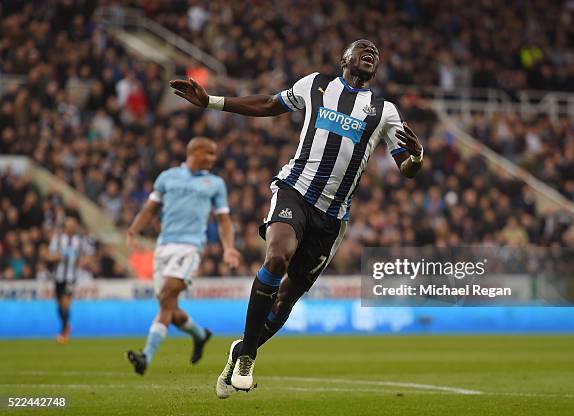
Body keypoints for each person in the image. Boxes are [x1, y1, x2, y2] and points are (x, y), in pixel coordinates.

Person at [170, 39, 423, 397]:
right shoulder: (316, 84)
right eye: (362, 48)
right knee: (276, 256)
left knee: (286, 298)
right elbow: (269, 104)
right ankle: (247, 360)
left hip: (332, 217)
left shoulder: (385, 111)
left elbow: (407, 169)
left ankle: (243, 350)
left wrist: (418, 157)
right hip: (295, 191)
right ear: (344, 59)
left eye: (376, 53)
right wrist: (212, 101)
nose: (371, 51)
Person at [126, 137, 240, 375]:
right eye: (209, 154)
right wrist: (134, 230)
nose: (213, 159)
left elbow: (223, 220)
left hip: (190, 247)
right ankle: (200, 335)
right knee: (170, 309)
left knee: (167, 296)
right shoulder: (167, 177)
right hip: (164, 247)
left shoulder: (215, 183)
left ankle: (146, 356)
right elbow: (150, 209)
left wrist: (228, 247)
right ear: (195, 152)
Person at [47, 217, 94, 344]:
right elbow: (49, 256)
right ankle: (66, 326)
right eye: (69, 225)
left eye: (73, 225)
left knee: (65, 302)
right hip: (58, 276)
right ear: (65, 227)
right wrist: (57, 256)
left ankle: (64, 331)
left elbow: (89, 254)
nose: (71, 227)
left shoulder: (80, 241)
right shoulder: (57, 240)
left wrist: (85, 261)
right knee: (59, 305)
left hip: (71, 277)